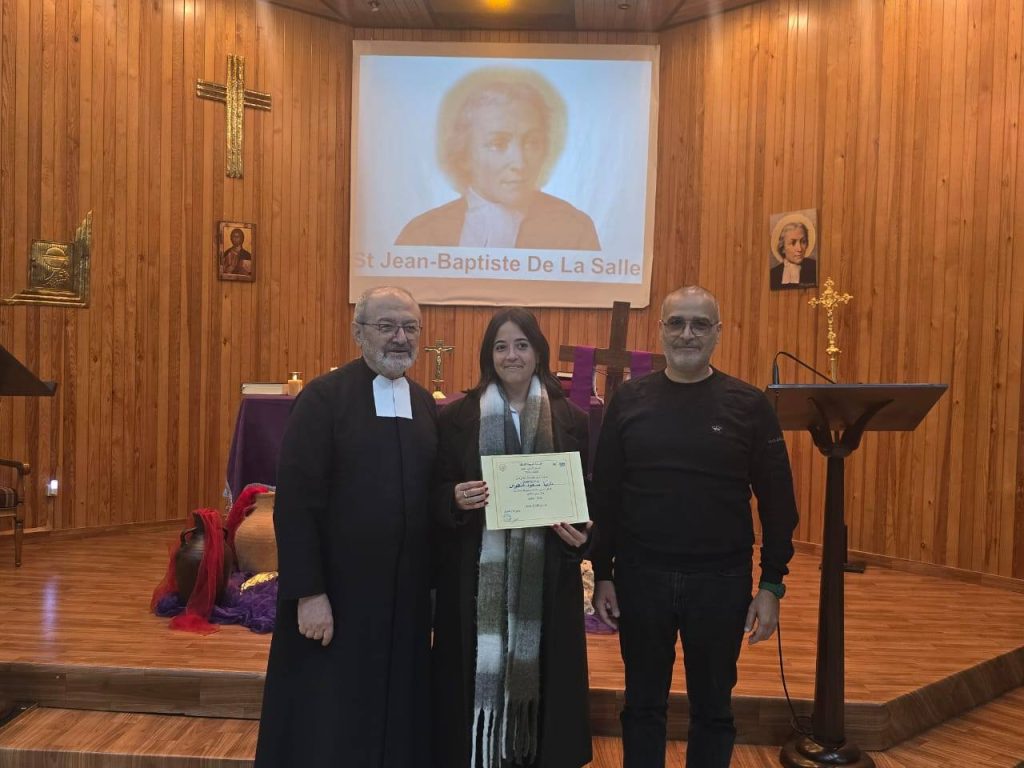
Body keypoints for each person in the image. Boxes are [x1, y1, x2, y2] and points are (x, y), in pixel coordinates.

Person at [590, 286, 799, 768]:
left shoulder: (749, 405)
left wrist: (772, 584)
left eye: (700, 324)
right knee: (642, 705)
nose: (688, 333)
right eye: (677, 323)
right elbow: (607, 495)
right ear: (660, 330)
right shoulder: (629, 400)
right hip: (641, 577)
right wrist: (602, 573)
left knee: (714, 709)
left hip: (720, 582)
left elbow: (779, 503)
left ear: (718, 333)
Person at [255, 286, 438, 766]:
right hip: (337, 599)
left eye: (410, 327)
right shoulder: (324, 399)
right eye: (387, 326)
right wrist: (308, 593)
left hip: (403, 604)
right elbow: (296, 504)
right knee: (330, 723)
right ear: (358, 333)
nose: (400, 338)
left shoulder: (423, 405)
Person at [432, 307, 593, 768]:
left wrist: (584, 532)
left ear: (538, 351)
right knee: (470, 672)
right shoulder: (457, 416)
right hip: (476, 574)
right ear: (489, 355)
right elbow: (434, 490)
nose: (512, 355)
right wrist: (453, 498)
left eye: (522, 345)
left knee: (547, 671)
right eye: (501, 346)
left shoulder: (571, 417)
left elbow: (588, 492)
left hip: (547, 576)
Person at [396, 74, 600, 251]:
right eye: (497, 144)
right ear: (464, 154)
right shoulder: (423, 235)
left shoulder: (573, 230)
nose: (519, 164)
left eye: (532, 143)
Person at [769, 221, 816, 289]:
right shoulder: (773, 273)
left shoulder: (814, 267)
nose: (799, 249)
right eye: (793, 243)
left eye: (803, 242)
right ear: (783, 247)